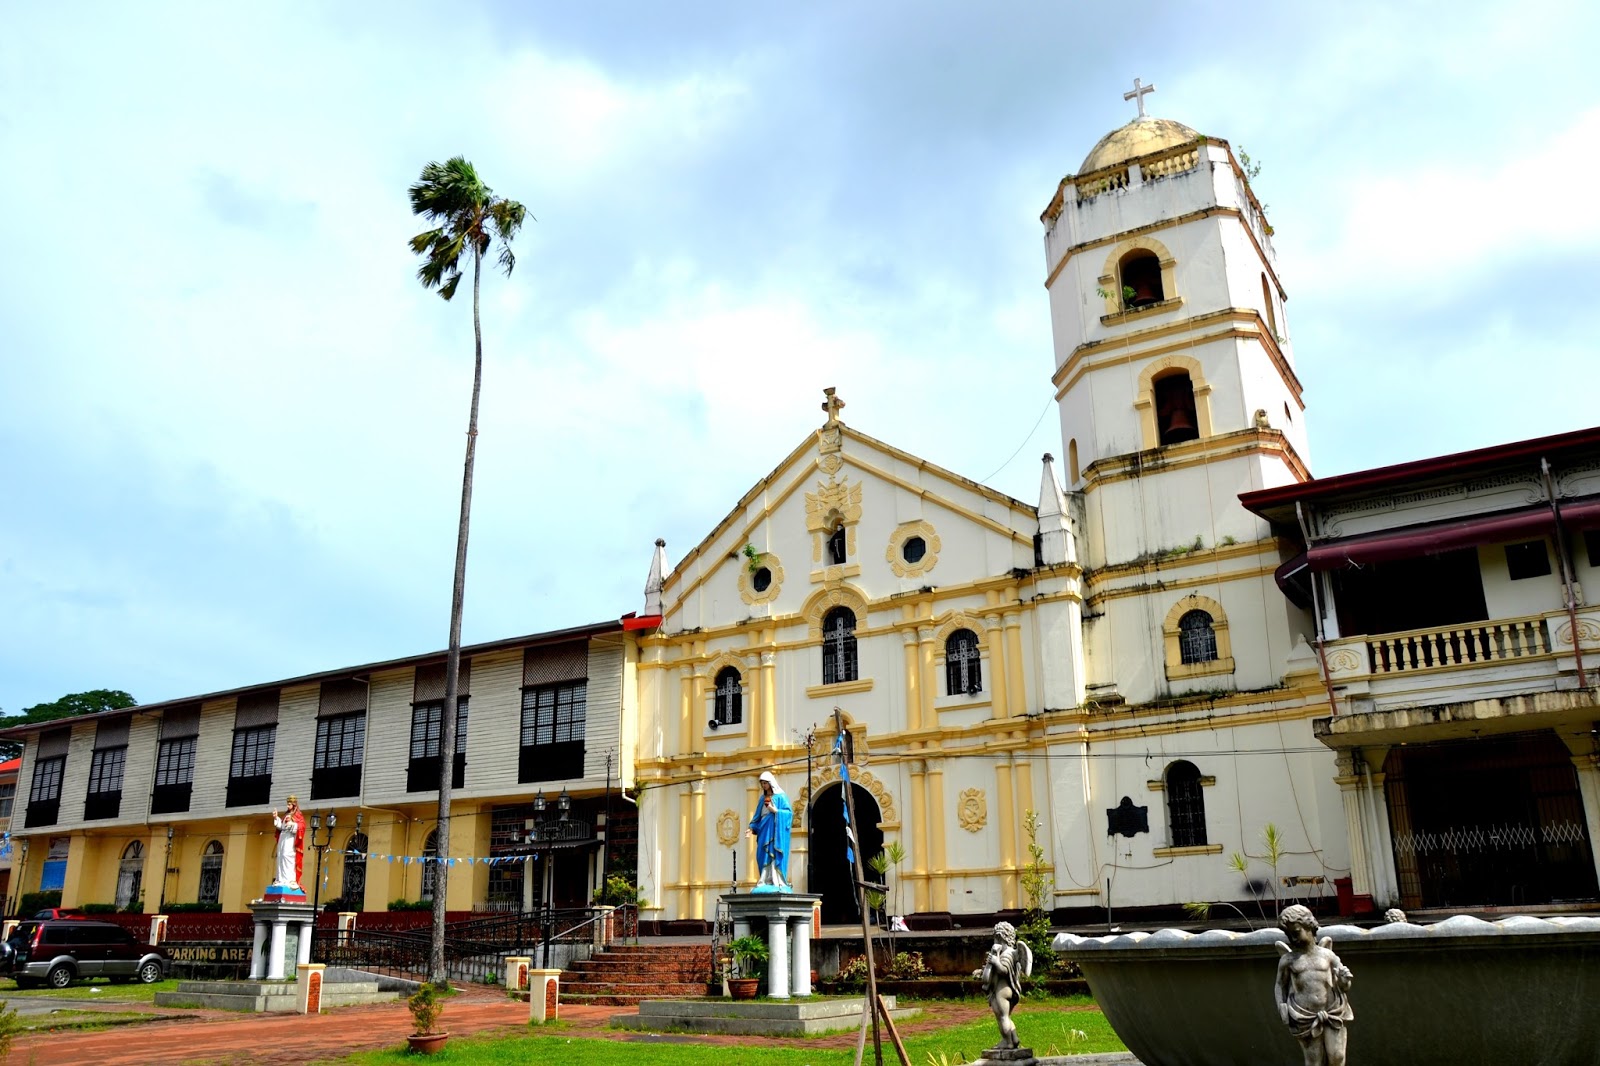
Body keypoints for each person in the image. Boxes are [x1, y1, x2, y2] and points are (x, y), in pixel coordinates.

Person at [1274, 904, 1354, 1066]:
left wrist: (1345, 980)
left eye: (1295, 932)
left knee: (1337, 1057)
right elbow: (1279, 985)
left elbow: (1344, 986)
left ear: (1309, 926)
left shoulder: (1328, 955)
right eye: (1289, 935)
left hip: (1333, 1011)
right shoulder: (1288, 960)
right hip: (1304, 1017)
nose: (1292, 938)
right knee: (1313, 1061)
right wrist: (1282, 1007)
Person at [973, 920, 1032, 1050]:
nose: (994, 942)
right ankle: (1014, 1039)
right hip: (1007, 990)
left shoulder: (1007, 953)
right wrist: (982, 971)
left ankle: (1007, 1042)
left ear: (1000, 937)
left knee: (1002, 1017)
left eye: (995, 938)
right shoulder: (1009, 952)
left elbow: (1003, 970)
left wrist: (995, 961)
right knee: (1006, 1017)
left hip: (1002, 991)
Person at [747, 771, 793, 891]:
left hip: (775, 831)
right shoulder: (763, 799)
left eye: (765, 783)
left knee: (774, 852)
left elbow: (788, 814)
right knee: (762, 854)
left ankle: (776, 879)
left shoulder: (781, 797)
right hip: (764, 830)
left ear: (771, 783)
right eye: (762, 783)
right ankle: (764, 878)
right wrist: (751, 828)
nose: (763, 786)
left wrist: (776, 811)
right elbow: (757, 816)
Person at [271, 796, 307, 889]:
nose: (287, 806)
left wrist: (293, 824)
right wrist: (276, 818)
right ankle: (280, 879)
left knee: (288, 857)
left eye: (289, 804)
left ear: (294, 804)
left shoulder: (298, 815)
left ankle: (290, 880)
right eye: (287, 804)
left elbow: (302, 826)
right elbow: (281, 826)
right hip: (283, 839)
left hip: (290, 840)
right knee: (281, 857)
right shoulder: (286, 815)